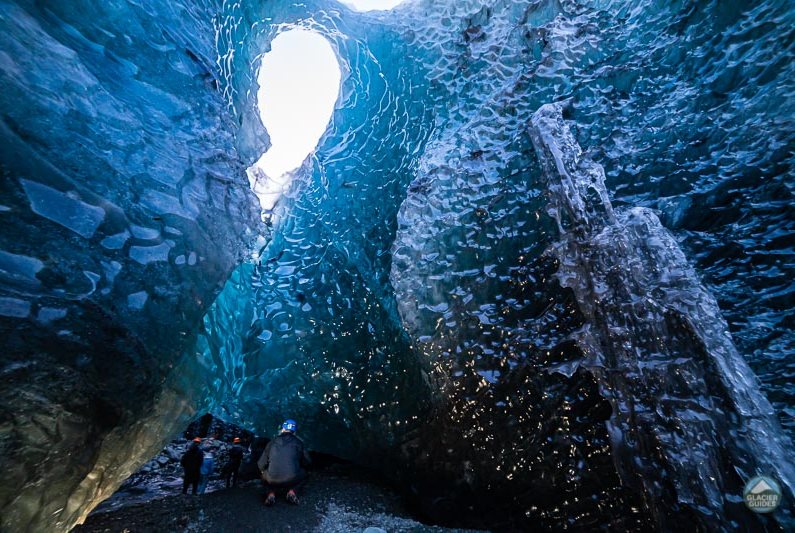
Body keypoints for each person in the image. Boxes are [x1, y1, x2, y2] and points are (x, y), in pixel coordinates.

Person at [258, 419, 311, 506]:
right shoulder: (299, 443)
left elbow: (261, 464)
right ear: (294, 432)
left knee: (264, 476)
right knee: (305, 473)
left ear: (282, 429)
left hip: (272, 479)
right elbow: (308, 461)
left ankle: (270, 493)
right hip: (292, 478)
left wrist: (263, 471)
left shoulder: (272, 442)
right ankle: (292, 492)